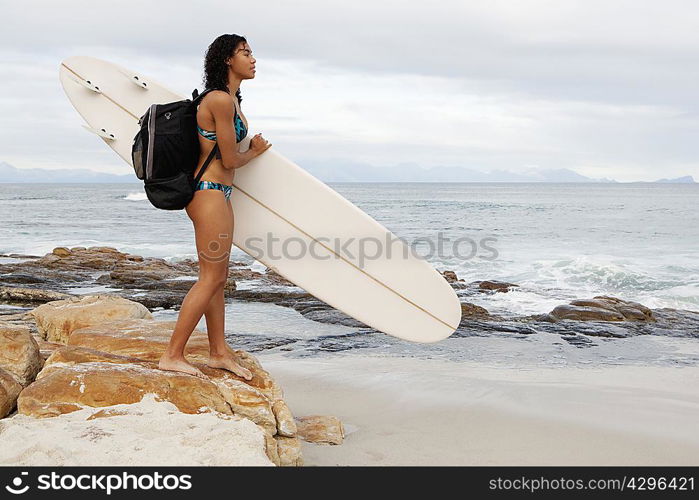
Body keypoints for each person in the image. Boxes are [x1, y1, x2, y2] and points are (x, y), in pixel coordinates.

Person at [158, 34, 272, 380]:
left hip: (217, 193)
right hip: (208, 192)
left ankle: (218, 351)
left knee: (218, 278)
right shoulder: (220, 100)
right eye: (245, 53)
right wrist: (256, 150)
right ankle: (172, 355)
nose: (253, 59)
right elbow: (229, 158)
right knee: (210, 277)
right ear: (227, 59)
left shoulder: (231, 99)